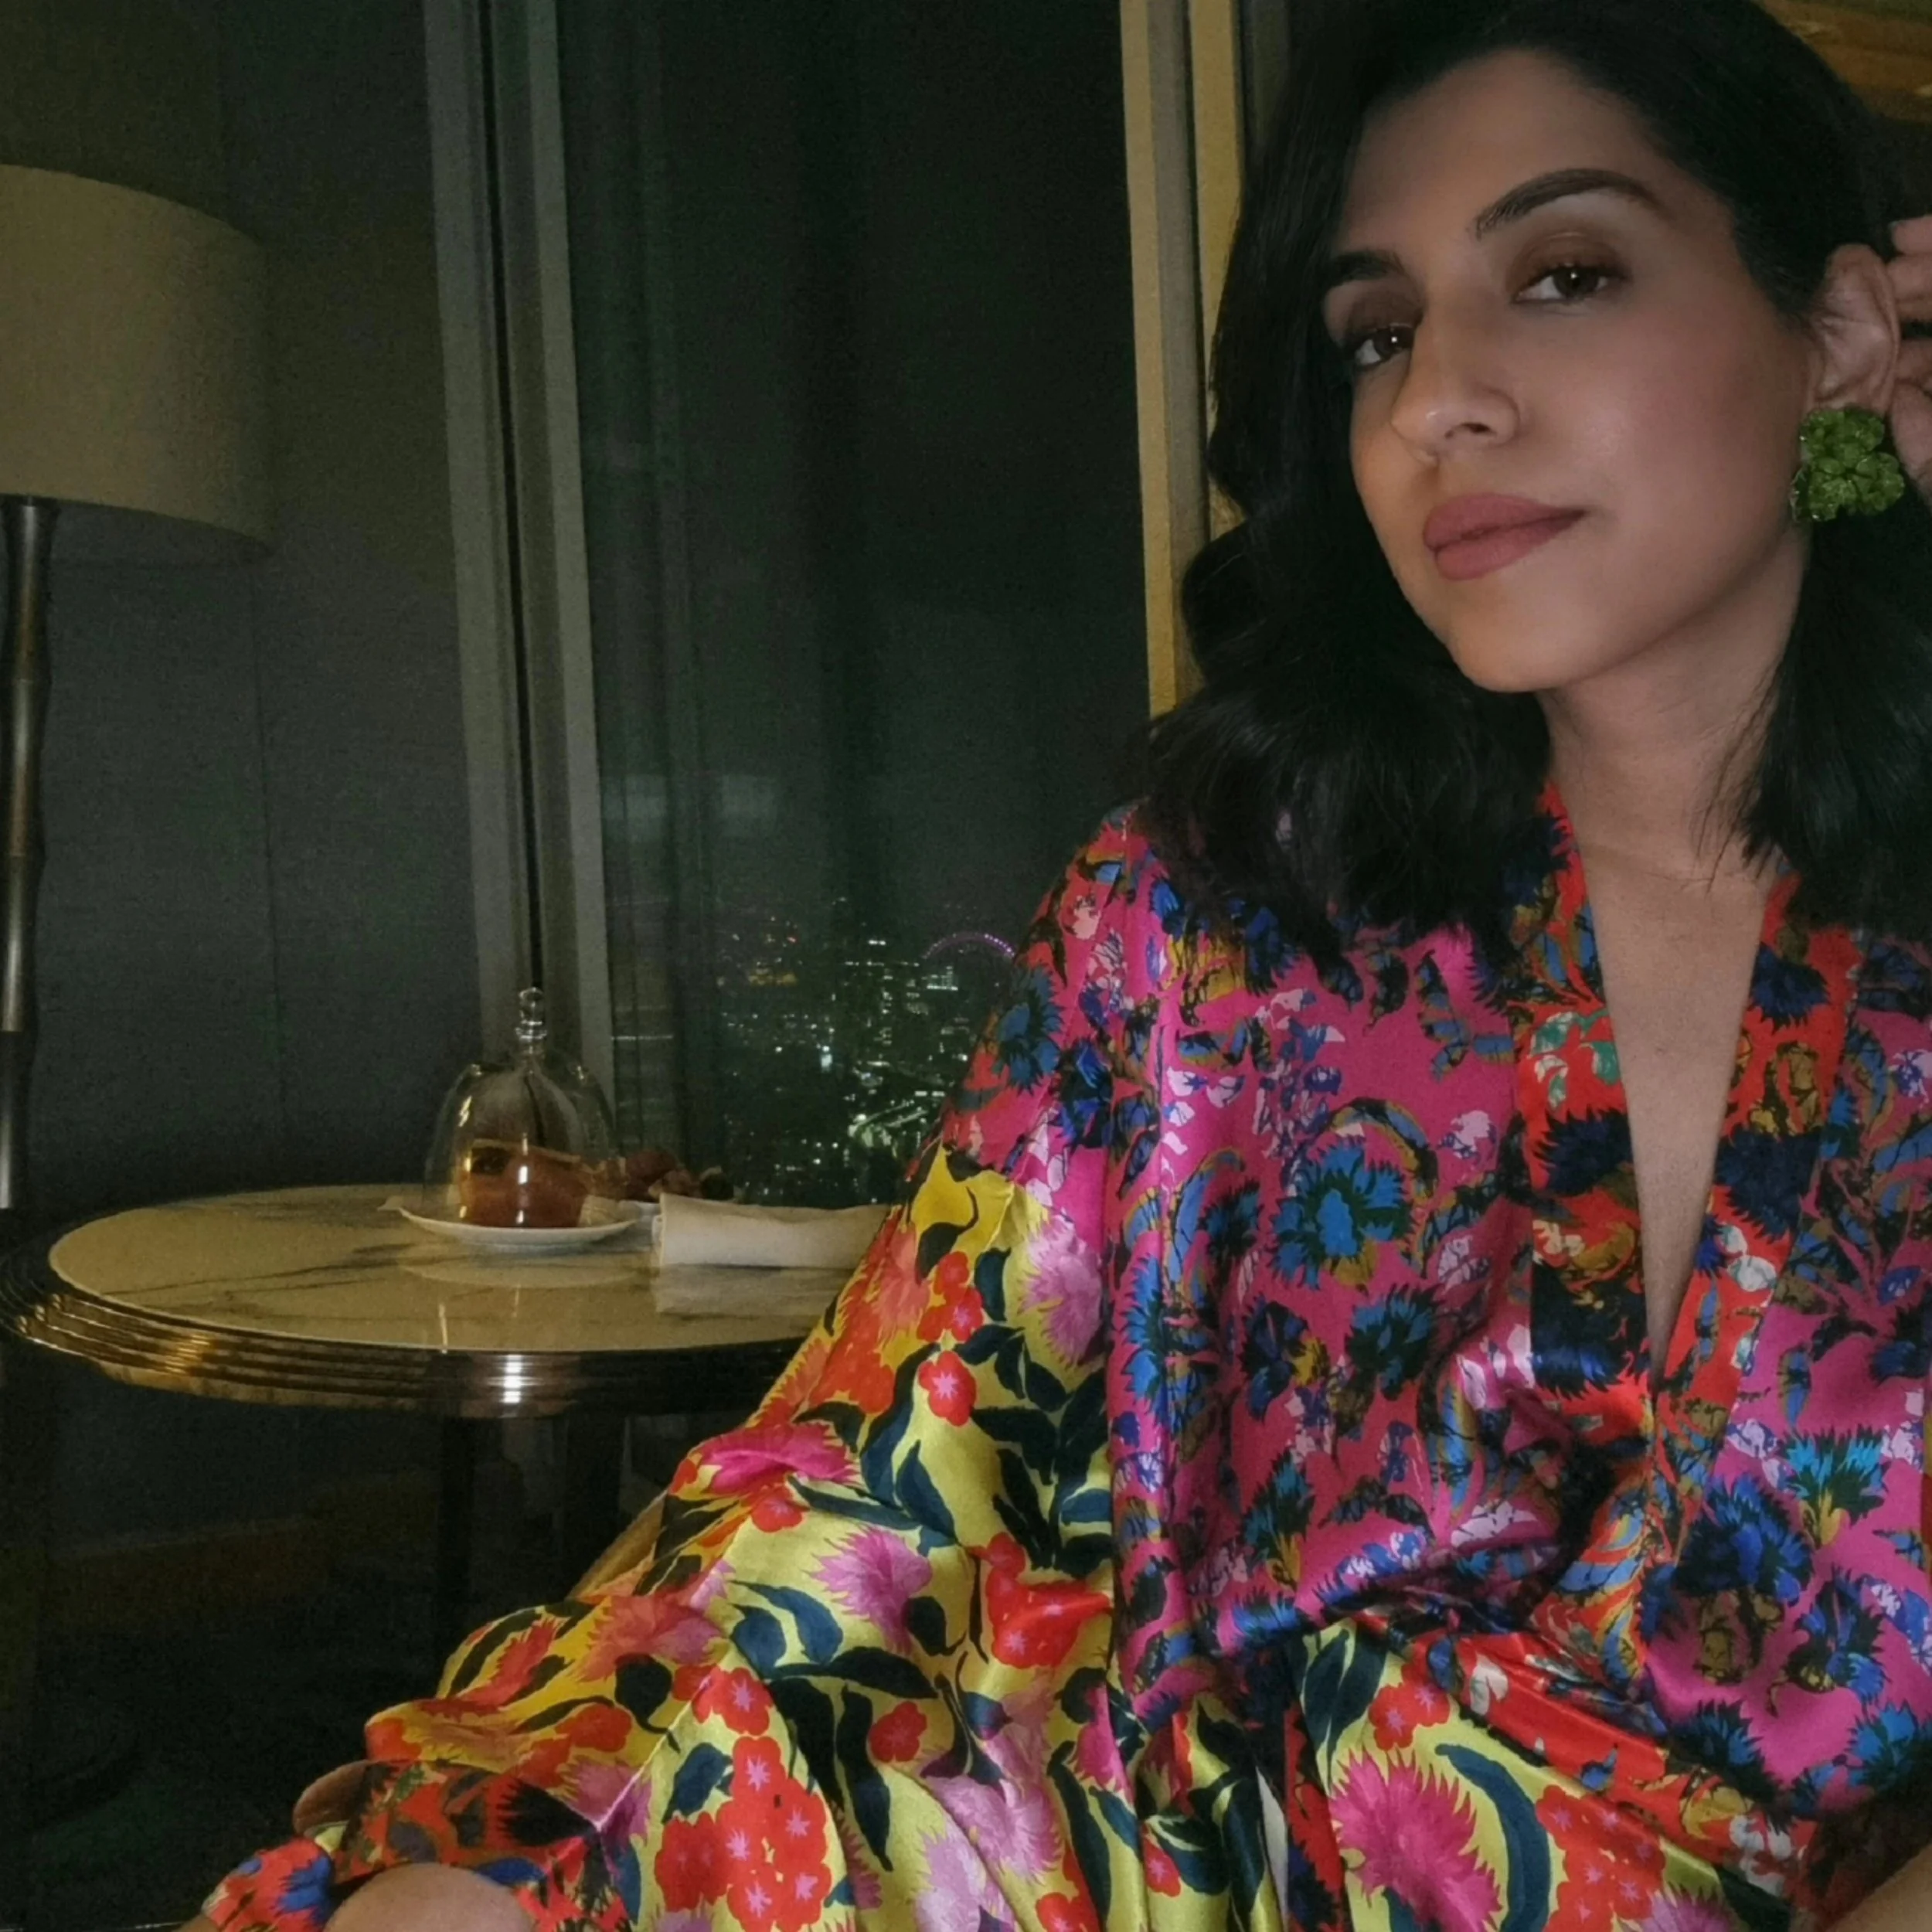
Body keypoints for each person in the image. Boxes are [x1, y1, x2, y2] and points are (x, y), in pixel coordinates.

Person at [189, 0, 1932, 1924]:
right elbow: (869, 1482)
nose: (1436, 397)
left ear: (1840, 333)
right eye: (1373, 332)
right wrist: (508, 1856)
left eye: (1564, 273)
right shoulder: (1219, 918)